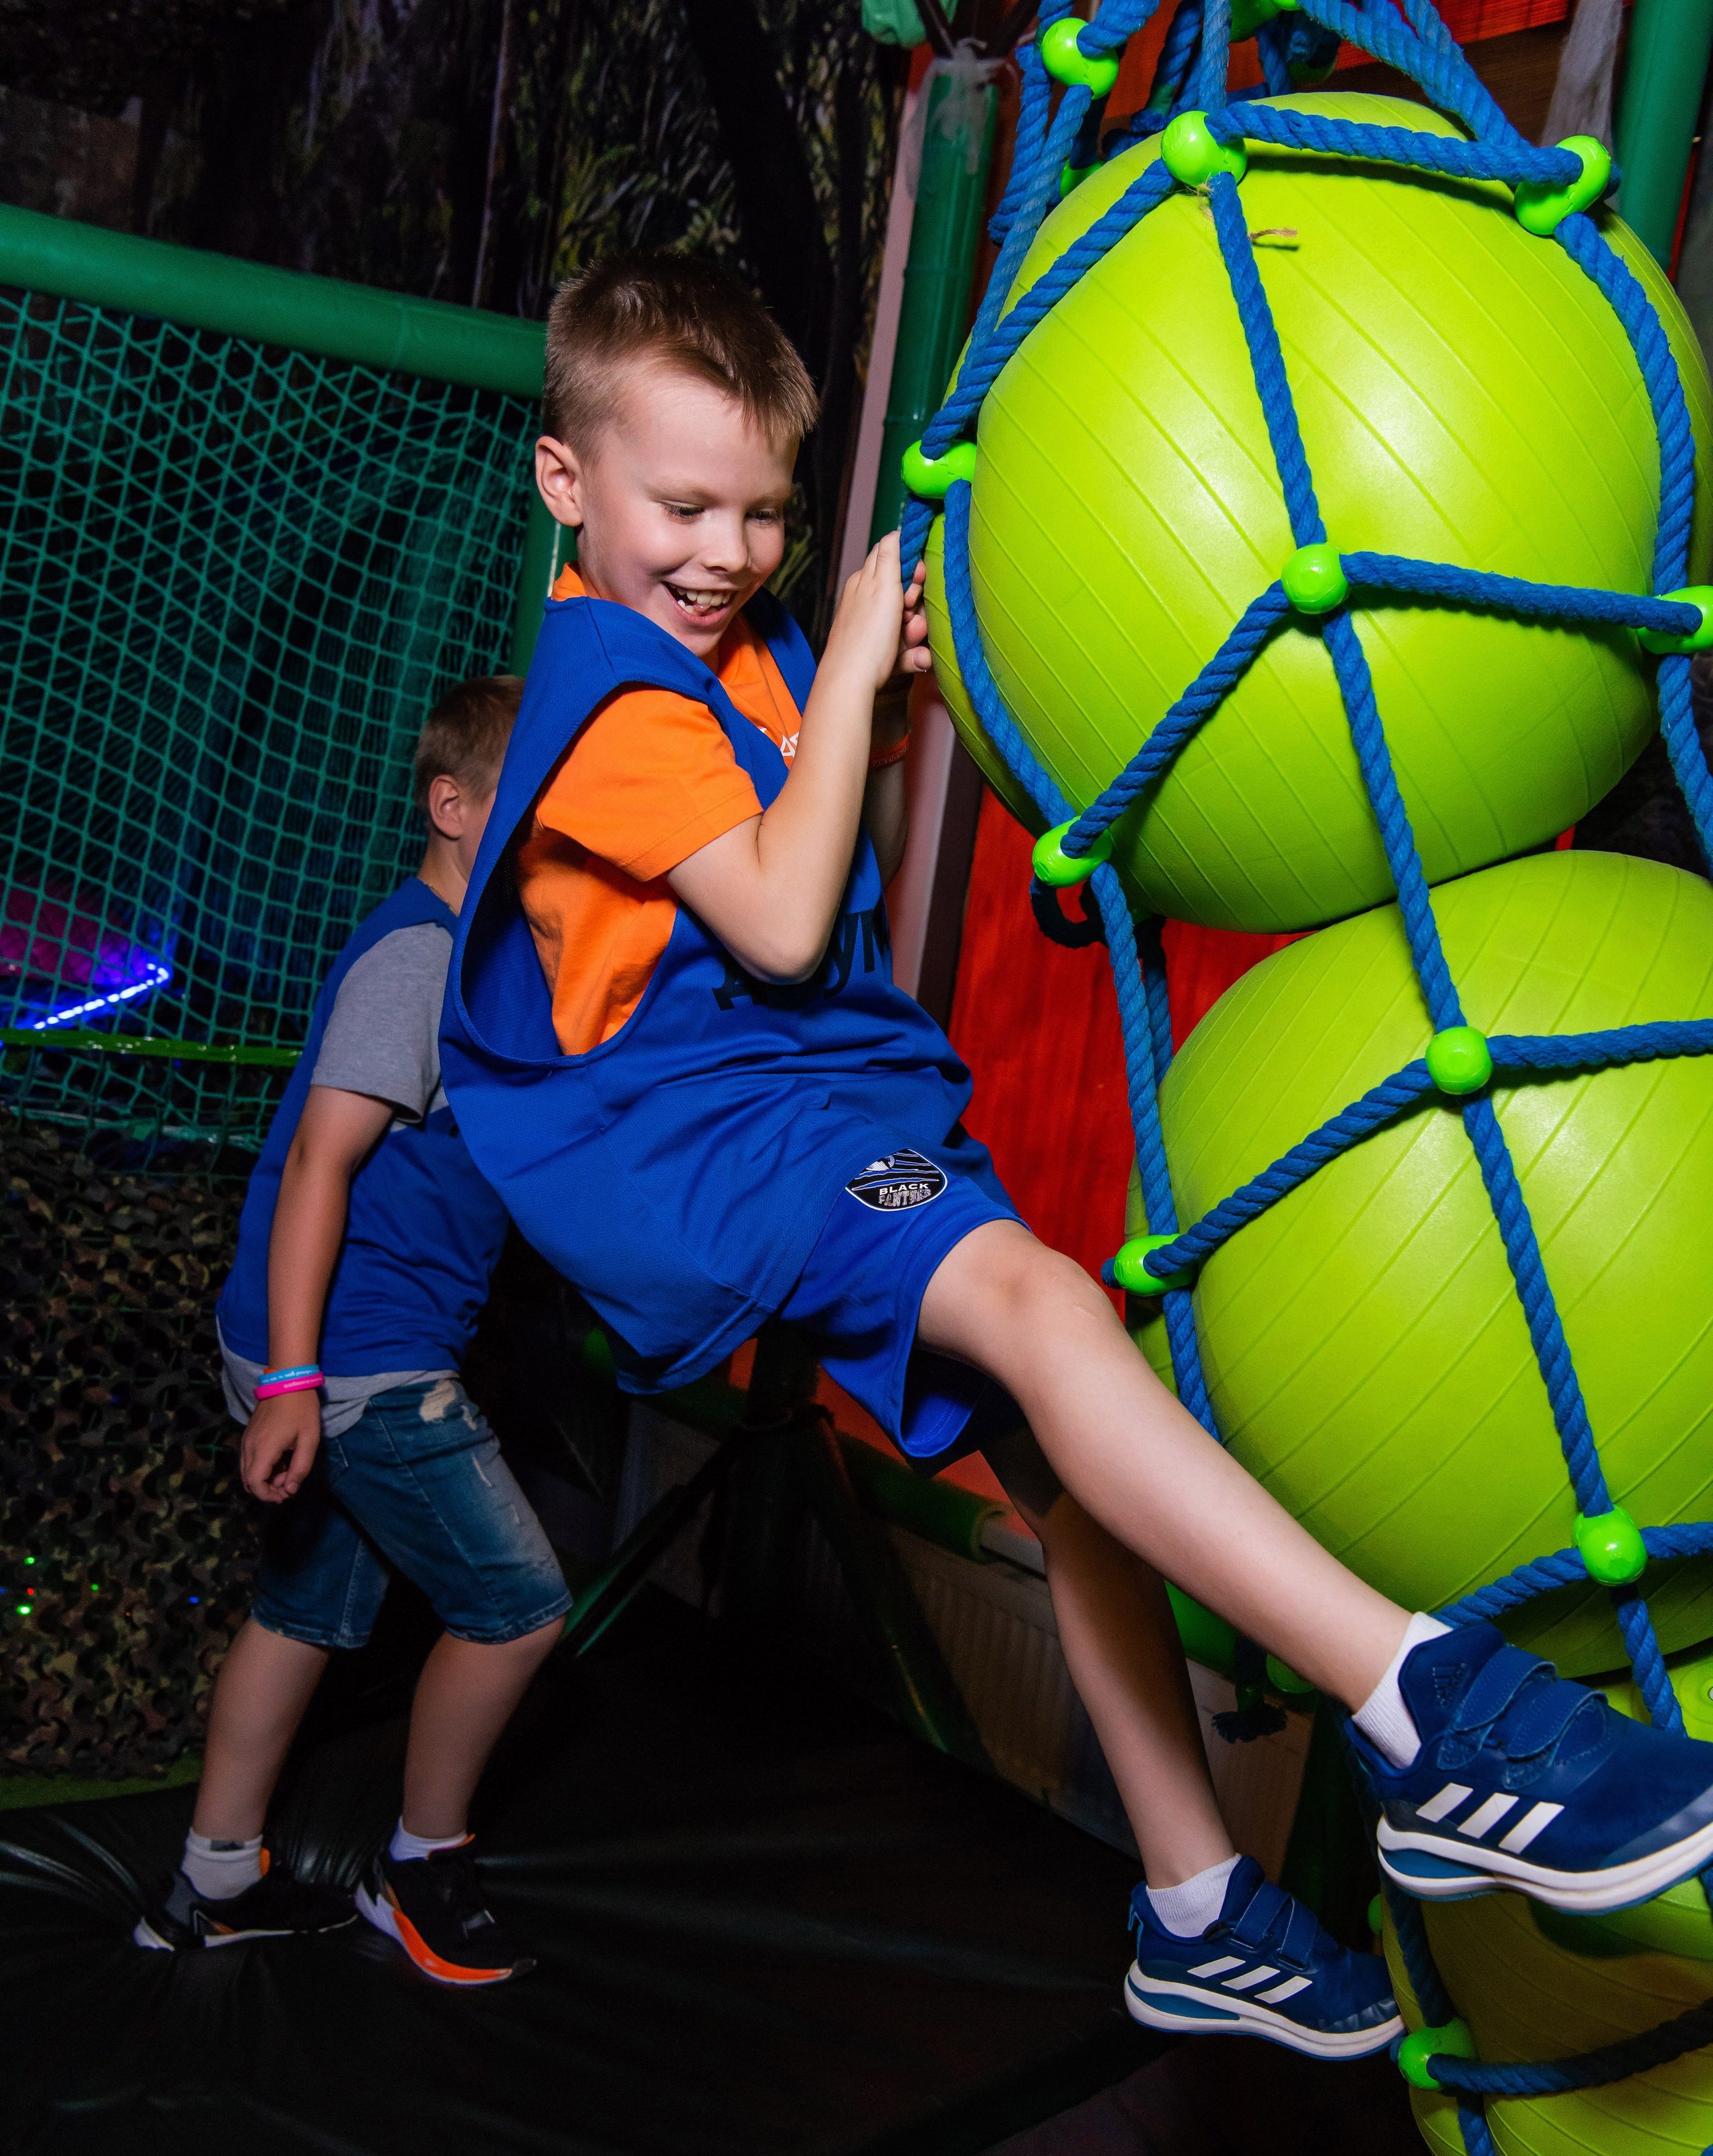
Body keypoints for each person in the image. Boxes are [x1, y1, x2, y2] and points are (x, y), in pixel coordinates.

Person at [438, 254, 1713, 2058]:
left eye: (767, 514)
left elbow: (833, 829)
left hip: (800, 1105)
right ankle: (1427, 1706)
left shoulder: (731, 654)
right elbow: (791, 922)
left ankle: (1193, 1901)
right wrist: (869, 674)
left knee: (1060, 1455)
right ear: (568, 486)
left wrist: (922, 670)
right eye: (683, 504)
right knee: (1047, 1304)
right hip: (710, 1131)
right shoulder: (617, 696)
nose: (727, 550)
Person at [134, 675, 569, 1987]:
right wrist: (296, 1383)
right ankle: (420, 1861)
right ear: (453, 806)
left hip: (317, 1340)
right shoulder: (423, 953)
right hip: (352, 1350)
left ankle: (211, 1881)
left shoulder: (475, 960)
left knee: (309, 1607)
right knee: (517, 1608)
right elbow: (322, 1161)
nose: (560, 832)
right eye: (534, 806)